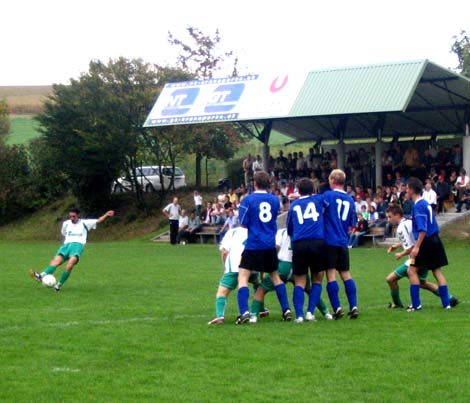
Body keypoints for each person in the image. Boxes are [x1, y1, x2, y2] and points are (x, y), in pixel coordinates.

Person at [236, 170, 291, 324]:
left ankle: (244, 312)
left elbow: (243, 222)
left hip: (253, 244)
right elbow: (274, 216)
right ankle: (286, 309)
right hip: (269, 244)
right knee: (275, 277)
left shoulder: (248, 200)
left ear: (254, 182)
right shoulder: (274, 200)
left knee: (243, 277)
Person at [250, 227, 333, 322]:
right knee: (310, 290)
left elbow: (276, 247)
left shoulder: (282, 232)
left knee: (261, 289)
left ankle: (253, 316)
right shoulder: (302, 231)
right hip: (298, 266)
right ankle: (326, 313)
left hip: (283, 265)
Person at [385, 204, 459, 308]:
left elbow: (411, 247)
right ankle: (449, 299)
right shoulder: (410, 222)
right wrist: (398, 244)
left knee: (390, 279)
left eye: (390, 217)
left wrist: (401, 254)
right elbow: (414, 239)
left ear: (397, 215)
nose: (389, 220)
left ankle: (402, 304)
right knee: (422, 283)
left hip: (416, 258)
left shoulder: (401, 227)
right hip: (425, 253)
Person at [29, 208, 115, 292]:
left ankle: (58, 285)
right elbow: (64, 233)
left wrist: (106, 215)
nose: (72, 218)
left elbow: (98, 221)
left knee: (69, 265)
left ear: (78, 216)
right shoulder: (66, 223)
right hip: (66, 246)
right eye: (70, 216)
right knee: (55, 262)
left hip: (77, 246)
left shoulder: (85, 223)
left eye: (74, 216)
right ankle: (41, 276)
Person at [406, 177, 451, 311]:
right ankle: (446, 304)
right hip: (436, 239)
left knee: (411, 270)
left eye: (407, 188)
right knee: (437, 271)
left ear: (412, 190)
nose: (406, 191)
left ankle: (416, 305)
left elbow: (423, 229)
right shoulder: (425, 203)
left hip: (425, 241)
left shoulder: (418, 206)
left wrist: (417, 247)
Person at [287, 178, 327, 323]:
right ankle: (310, 312)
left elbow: (289, 228)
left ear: (298, 190)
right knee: (317, 278)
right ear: (313, 190)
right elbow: (326, 203)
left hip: (300, 243)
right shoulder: (318, 200)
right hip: (317, 242)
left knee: (300, 281)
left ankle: (299, 315)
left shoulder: (293, 205)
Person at [323, 169, 359, 319]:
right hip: (343, 241)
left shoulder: (327, 195)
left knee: (331, 275)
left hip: (329, 240)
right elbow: (352, 224)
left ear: (332, 180)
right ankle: (354, 306)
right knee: (346, 274)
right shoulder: (350, 200)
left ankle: (337, 308)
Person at [208, 227, 259, 325]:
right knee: (258, 285)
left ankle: (220, 316)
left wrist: (225, 268)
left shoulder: (233, 231)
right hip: (252, 266)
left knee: (222, 292)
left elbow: (224, 252)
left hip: (235, 267)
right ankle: (258, 310)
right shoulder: (255, 231)